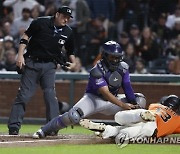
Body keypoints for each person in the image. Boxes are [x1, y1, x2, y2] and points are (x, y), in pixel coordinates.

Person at [32, 40, 147, 139]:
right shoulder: (96, 70)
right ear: (105, 56)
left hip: (113, 101)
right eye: (112, 57)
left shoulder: (124, 68)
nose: (115, 60)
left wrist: (133, 104)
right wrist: (123, 105)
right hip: (94, 100)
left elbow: (127, 87)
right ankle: (45, 130)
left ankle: (131, 131)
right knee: (73, 115)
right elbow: (105, 93)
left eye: (118, 57)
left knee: (139, 100)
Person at [8, 6, 76, 135]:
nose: (66, 19)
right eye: (64, 16)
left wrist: (73, 63)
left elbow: (71, 51)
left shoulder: (68, 32)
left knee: (50, 96)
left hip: (50, 66)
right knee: (24, 95)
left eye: (68, 18)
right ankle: (14, 127)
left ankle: (52, 128)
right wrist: (20, 55)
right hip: (32, 63)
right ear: (57, 14)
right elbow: (26, 36)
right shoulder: (40, 22)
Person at [80, 95, 180, 140]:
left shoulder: (156, 106)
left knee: (118, 117)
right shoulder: (177, 120)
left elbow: (155, 110)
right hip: (152, 130)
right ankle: (107, 130)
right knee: (123, 133)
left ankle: (106, 129)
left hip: (146, 115)